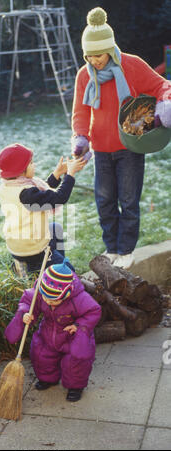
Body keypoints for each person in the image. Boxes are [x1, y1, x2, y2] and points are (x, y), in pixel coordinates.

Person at [71, 7, 171, 269]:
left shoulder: (131, 65)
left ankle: (126, 250)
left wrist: (165, 106)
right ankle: (112, 248)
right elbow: (80, 112)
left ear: (111, 48)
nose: (95, 61)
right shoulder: (85, 76)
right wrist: (80, 137)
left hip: (130, 146)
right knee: (104, 201)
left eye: (99, 55)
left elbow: (162, 85)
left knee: (128, 201)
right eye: (89, 56)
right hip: (101, 150)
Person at [5, 258, 101, 401]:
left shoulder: (79, 298)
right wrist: (27, 313)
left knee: (75, 362)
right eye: (46, 298)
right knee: (41, 355)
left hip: (71, 335)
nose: (49, 301)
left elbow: (93, 311)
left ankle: (75, 387)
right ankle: (47, 379)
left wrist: (78, 325)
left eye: (54, 300)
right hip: (48, 332)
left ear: (67, 294)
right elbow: (28, 302)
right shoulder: (40, 292)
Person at [0, 143, 86, 275]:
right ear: (20, 170)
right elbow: (58, 198)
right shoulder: (26, 193)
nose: (35, 165)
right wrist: (70, 174)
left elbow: (41, 195)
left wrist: (57, 173)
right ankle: (53, 270)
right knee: (70, 274)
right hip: (32, 250)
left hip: (17, 243)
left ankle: (54, 263)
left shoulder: (7, 187)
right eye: (31, 163)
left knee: (55, 229)